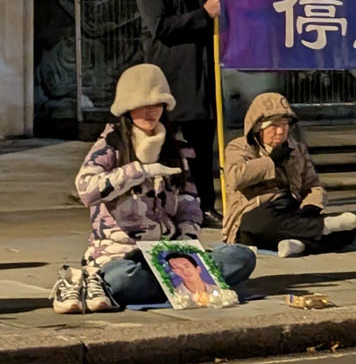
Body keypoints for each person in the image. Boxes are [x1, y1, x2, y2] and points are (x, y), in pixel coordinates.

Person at [67, 63, 256, 312]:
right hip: (123, 255)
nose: (151, 111)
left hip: (169, 254)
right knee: (121, 279)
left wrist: (187, 241)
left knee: (242, 257)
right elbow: (86, 190)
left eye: (157, 104)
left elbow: (190, 203)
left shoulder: (176, 148)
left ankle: (175, 283)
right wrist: (139, 171)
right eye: (143, 105)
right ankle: (175, 285)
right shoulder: (111, 144)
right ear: (127, 108)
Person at [137, 0, 222, 225]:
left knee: (203, 148)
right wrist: (204, 13)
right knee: (165, 146)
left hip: (201, 74)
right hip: (171, 77)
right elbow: (160, 27)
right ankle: (160, 206)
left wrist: (215, 2)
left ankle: (205, 206)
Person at [223, 92, 356, 257]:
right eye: (274, 126)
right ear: (259, 128)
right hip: (257, 214)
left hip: (290, 211)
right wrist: (270, 162)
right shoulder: (239, 147)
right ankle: (318, 229)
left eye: (284, 125)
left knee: (348, 231)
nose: (280, 131)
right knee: (257, 223)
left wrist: (311, 205)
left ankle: (298, 244)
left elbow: (313, 184)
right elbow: (235, 178)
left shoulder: (297, 149)